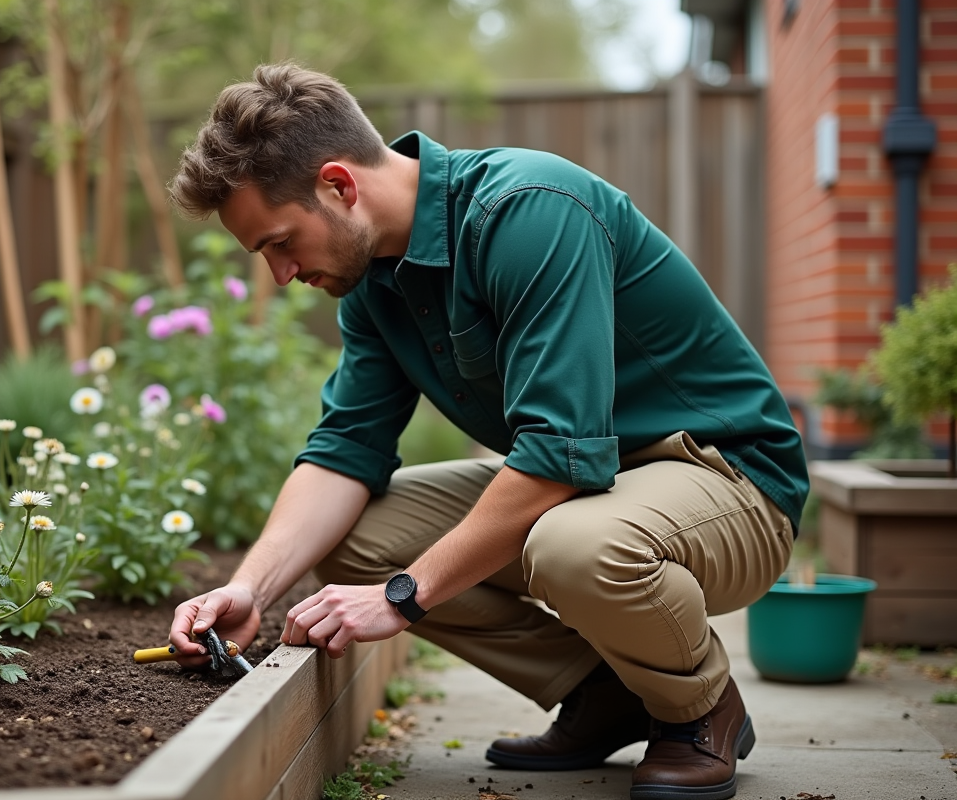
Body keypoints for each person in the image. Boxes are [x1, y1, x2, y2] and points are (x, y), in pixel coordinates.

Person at [165, 63, 808, 800]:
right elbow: (345, 451)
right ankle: (612, 692)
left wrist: (404, 597)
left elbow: (560, 454)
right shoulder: (374, 282)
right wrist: (251, 587)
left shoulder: (530, 210)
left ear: (339, 185)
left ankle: (697, 709)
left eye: (279, 242)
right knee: (352, 542)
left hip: (728, 481)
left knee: (577, 546)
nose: (280, 273)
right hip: (596, 486)